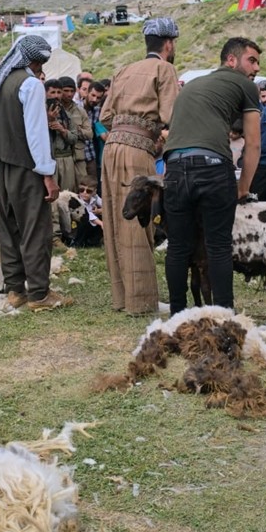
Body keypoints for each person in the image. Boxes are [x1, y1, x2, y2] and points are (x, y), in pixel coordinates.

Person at [0, 35, 72, 311]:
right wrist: (47, 174)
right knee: (35, 229)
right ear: (36, 60)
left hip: (0, 167)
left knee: (9, 229)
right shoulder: (30, 85)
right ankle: (39, 294)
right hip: (26, 168)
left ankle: (15, 290)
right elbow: (37, 135)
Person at [162, 37, 262, 314]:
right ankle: (223, 315)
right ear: (231, 60)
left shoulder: (193, 84)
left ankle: (177, 315)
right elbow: (253, 143)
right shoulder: (246, 85)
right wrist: (243, 188)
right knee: (218, 245)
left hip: (174, 166)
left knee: (178, 247)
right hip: (212, 165)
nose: (255, 68)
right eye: (251, 60)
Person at [99, 18, 180, 315]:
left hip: (111, 149)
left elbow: (106, 116)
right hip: (137, 149)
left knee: (115, 218)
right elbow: (172, 114)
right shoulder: (164, 68)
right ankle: (142, 300)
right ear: (169, 44)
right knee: (138, 221)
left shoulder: (123, 70)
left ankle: (122, 297)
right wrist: (154, 130)